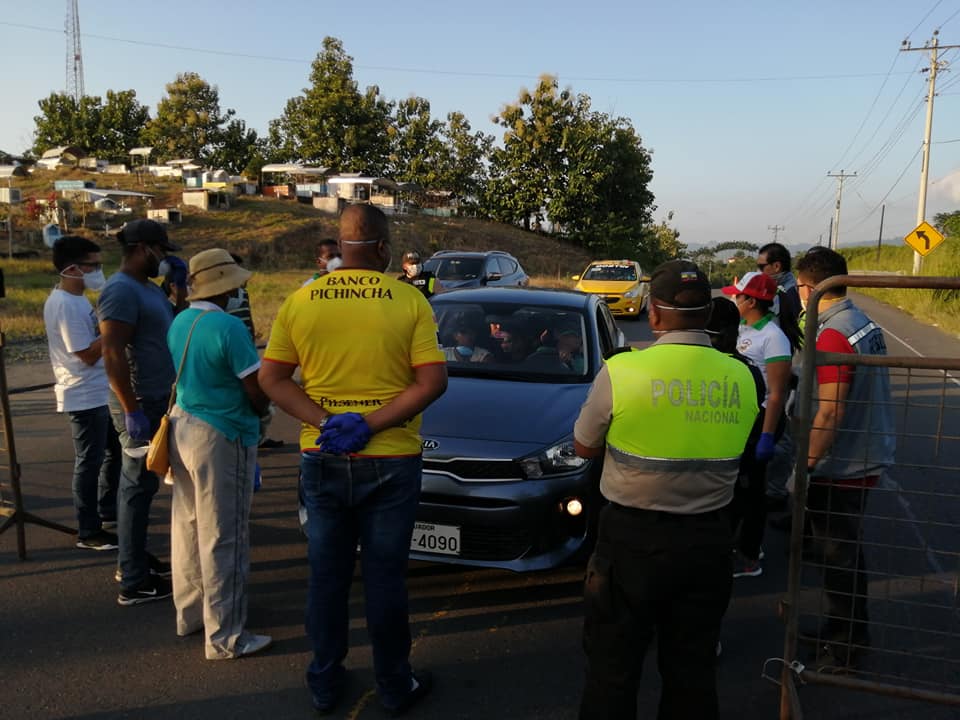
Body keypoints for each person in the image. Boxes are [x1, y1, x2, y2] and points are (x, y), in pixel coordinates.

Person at [259, 204, 447, 715]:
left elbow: (271, 378)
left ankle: (324, 680)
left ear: (340, 246)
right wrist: (370, 424)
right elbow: (432, 382)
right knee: (385, 579)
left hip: (322, 454)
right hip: (391, 457)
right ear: (383, 248)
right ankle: (394, 684)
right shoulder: (408, 300)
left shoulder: (301, 300)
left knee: (327, 576)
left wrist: (326, 421)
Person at [574, 260, 760, 720]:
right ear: (707, 313)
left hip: (630, 541)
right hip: (707, 541)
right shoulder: (742, 376)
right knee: (692, 672)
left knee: (612, 670)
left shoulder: (622, 370)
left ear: (653, 314)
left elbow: (584, 445)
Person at [167, 249, 273, 660]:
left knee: (188, 527)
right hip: (222, 433)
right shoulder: (228, 327)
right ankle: (226, 635)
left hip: (182, 427)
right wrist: (263, 415)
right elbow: (254, 387)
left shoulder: (181, 321)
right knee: (225, 535)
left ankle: (191, 614)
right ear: (227, 287)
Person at [795, 247, 895, 668]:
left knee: (839, 558)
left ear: (807, 287)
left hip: (844, 463)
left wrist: (806, 465)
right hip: (864, 449)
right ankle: (840, 630)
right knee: (841, 555)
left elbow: (831, 410)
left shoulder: (833, 334)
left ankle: (847, 645)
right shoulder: (861, 322)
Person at [98, 218, 181, 606]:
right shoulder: (119, 290)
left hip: (156, 398)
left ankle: (134, 559)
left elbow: (169, 330)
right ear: (143, 248)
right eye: (161, 250)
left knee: (142, 488)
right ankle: (133, 579)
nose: (163, 258)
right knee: (135, 487)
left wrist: (178, 291)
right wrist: (131, 408)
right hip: (139, 402)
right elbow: (112, 352)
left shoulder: (146, 288)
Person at [43, 235, 121, 550]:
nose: (98, 271)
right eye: (93, 265)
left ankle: (107, 509)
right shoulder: (64, 304)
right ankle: (88, 531)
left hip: (97, 390)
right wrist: (112, 331)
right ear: (73, 269)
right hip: (82, 393)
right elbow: (86, 354)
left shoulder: (77, 299)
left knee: (114, 452)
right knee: (89, 461)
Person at [721, 271, 799, 577]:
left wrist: (767, 435)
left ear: (751, 301)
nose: (734, 300)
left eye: (738, 296)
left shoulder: (773, 338)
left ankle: (748, 556)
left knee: (751, 492)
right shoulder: (743, 327)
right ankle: (744, 544)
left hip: (762, 420)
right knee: (739, 488)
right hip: (744, 420)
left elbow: (777, 393)